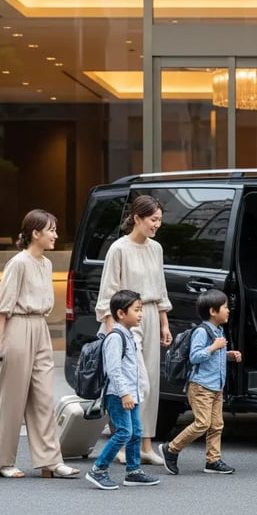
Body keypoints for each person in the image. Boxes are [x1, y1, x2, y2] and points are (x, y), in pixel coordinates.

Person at [0, 209, 80, 479]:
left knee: (43, 397)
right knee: (12, 398)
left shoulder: (47, 264)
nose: (55, 235)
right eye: (50, 230)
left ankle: (50, 461)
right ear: (35, 233)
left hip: (40, 327)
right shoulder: (18, 263)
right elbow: (3, 307)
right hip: (17, 326)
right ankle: (3, 461)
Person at [96, 195, 173, 465]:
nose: (156, 225)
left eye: (159, 221)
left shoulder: (156, 248)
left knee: (149, 384)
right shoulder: (118, 249)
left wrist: (164, 323)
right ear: (137, 218)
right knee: (131, 382)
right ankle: (123, 442)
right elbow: (108, 294)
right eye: (153, 220)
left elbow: (161, 289)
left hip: (150, 313)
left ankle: (145, 445)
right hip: (125, 320)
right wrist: (112, 333)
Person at [158, 289, 242, 476]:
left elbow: (213, 357)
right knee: (202, 423)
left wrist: (228, 355)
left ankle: (213, 460)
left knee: (216, 424)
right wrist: (214, 347)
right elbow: (195, 356)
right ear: (213, 311)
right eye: (225, 307)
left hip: (215, 386)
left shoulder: (219, 331)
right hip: (200, 386)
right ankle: (171, 449)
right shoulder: (202, 332)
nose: (228, 311)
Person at [86, 290, 161, 489]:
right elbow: (113, 370)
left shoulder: (128, 336)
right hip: (118, 395)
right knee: (124, 432)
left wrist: (136, 392)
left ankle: (133, 472)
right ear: (121, 313)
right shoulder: (115, 337)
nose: (140, 314)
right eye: (136, 310)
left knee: (136, 432)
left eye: (141, 310)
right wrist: (125, 393)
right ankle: (98, 469)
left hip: (130, 394)